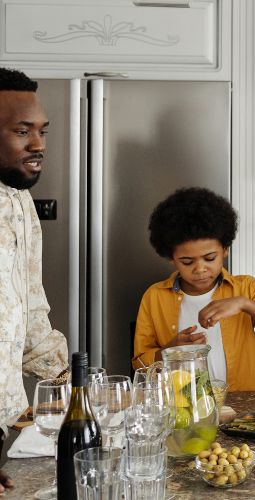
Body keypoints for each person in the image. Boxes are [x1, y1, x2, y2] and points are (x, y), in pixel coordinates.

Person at [132, 187, 255, 392]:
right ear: (171, 258)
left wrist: (244, 304)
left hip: (240, 407)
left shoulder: (244, 288)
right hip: (179, 408)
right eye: (187, 261)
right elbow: (140, 364)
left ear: (225, 249)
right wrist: (171, 351)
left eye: (210, 258)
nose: (200, 269)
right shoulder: (154, 297)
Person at [0, 67, 69, 494]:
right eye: (22, 131)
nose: (38, 144)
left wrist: (77, 387)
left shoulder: (20, 203)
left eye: (42, 130)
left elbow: (28, 312)